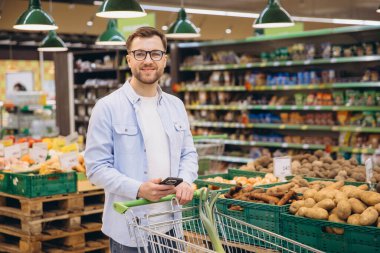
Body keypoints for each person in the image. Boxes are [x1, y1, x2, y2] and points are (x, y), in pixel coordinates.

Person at [84, 26, 198, 252]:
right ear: (129, 59)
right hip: (129, 229)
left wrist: (185, 180)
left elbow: (188, 153)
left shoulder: (176, 105)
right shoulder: (107, 107)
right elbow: (96, 168)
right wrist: (138, 189)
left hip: (172, 226)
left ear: (164, 59)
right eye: (140, 54)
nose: (148, 60)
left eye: (155, 53)